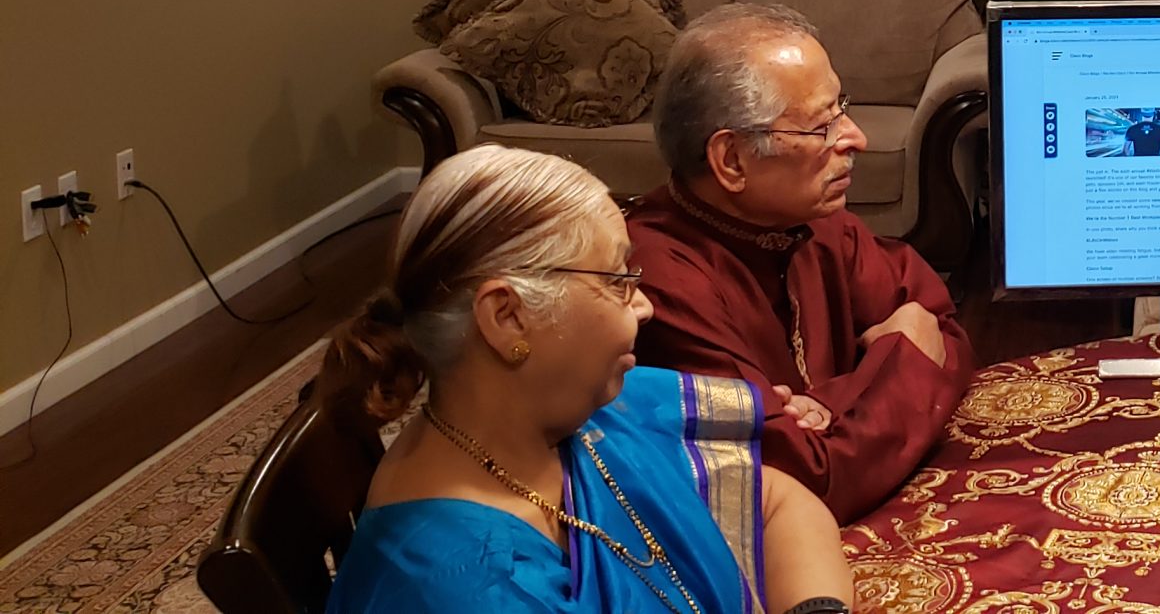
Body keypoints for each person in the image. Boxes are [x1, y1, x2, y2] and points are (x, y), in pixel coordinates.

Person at [318, 145, 854, 614]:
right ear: (507, 317)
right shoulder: (465, 587)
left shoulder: (580, 414)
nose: (643, 306)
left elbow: (774, 498)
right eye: (619, 280)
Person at [627, 3, 974, 522]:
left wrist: (829, 407)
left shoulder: (810, 221)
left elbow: (941, 324)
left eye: (842, 109)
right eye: (821, 126)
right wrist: (903, 356)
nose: (856, 137)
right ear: (731, 160)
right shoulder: (659, 276)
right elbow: (804, 482)